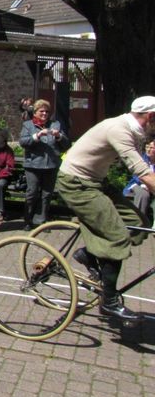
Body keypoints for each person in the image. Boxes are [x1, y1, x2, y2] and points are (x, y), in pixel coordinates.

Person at [55, 96, 155, 321]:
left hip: (95, 181)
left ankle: (88, 254)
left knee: (139, 224)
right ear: (150, 116)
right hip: (76, 183)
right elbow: (142, 171)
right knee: (117, 236)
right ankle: (109, 301)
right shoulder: (119, 130)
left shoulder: (134, 130)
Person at [19, 99, 71, 231]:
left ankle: (41, 221)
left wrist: (59, 136)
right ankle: (28, 220)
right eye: (41, 111)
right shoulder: (28, 125)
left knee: (46, 194)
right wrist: (37, 136)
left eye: (47, 111)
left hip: (51, 165)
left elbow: (66, 144)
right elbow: (23, 142)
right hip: (33, 165)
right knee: (32, 193)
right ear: (35, 112)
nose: (44, 114)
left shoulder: (55, 124)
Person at [123, 140, 155, 224]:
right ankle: (137, 222)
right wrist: (146, 185)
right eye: (147, 147)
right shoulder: (141, 159)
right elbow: (137, 176)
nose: (148, 149)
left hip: (152, 188)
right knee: (143, 194)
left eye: (151, 148)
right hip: (137, 185)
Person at [0, 128, 16, 224]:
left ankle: (0, 211)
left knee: (1, 185)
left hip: (3, 176)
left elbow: (9, 167)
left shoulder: (8, 151)